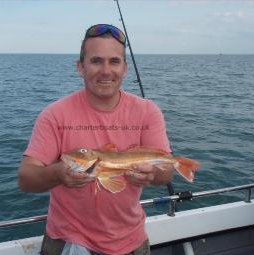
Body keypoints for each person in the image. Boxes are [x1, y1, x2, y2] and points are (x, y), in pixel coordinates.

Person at [18, 24, 174, 255]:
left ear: (125, 68)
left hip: (131, 241)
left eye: (114, 61)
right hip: (66, 240)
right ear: (80, 67)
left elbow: (166, 172)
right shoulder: (54, 114)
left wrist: (152, 175)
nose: (105, 71)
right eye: (96, 61)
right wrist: (58, 173)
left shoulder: (148, 112)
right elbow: (25, 179)